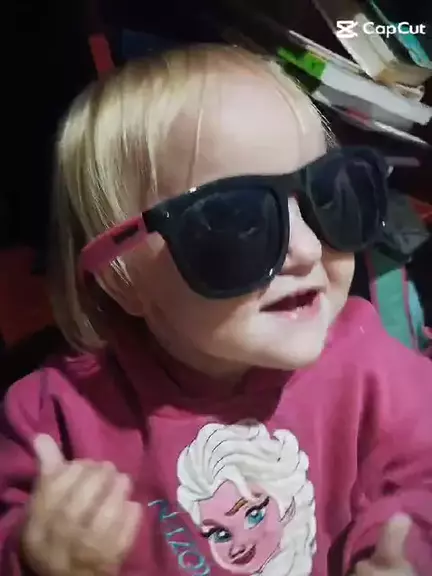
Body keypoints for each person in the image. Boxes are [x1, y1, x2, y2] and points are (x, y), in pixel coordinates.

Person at [0, 45, 431, 576]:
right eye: (237, 222)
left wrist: (401, 544)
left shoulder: (369, 365)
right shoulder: (54, 422)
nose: (307, 250)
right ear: (122, 278)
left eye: (328, 195)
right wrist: (35, 557)